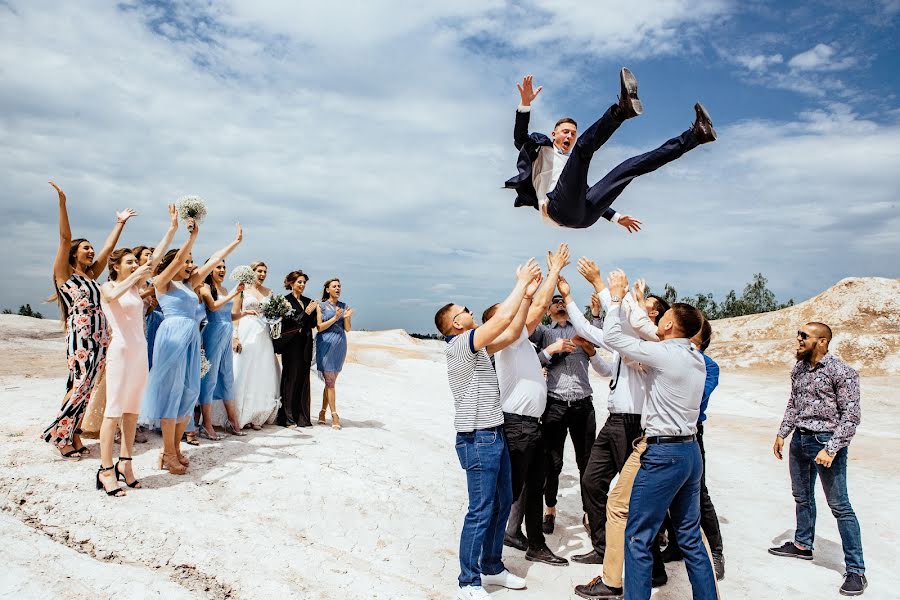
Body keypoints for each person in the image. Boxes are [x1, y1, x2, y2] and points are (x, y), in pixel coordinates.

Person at [434, 257, 540, 600]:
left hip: (493, 434)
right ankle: (468, 580)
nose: (470, 311)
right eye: (464, 309)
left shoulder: (477, 348)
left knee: (502, 501)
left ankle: (492, 567)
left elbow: (510, 331)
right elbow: (502, 319)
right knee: (480, 509)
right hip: (476, 439)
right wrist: (521, 283)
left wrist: (526, 297)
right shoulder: (459, 346)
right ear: (455, 322)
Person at [504, 69, 716, 230]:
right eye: (565, 132)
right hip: (557, 209)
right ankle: (621, 111)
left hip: (586, 216)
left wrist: (615, 217)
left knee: (630, 167)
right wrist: (525, 105)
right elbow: (519, 138)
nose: (569, 136)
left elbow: (586, 194)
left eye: (573, 133)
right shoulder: (540, 150)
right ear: (554, 134)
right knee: (583, 151)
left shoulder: (572, 168)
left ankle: (696, 135)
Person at [569, 259, 669, 569]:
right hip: (615, 421)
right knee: (591, 481)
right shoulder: (626, 338)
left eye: (647, 305)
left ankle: (650, 563)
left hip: (635, 424)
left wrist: (605, 286)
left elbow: (619, 327)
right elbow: (591, 330)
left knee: (636, 496)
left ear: (655, 316)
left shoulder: (652, 343)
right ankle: (603, 547)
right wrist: (570, 297)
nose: (640, 307)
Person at [487, 244, 571, 566]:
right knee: (507, 493)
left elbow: (534, 308)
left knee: (535, 489)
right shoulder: (507, 340)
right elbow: (536, 311)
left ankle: (535, 543)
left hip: (531, 427)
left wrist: (537, 287)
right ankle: (490, 554)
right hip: (517, 426)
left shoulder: (520, 341)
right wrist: (552, 274)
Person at [769, 323, 866, 597]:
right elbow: (793, 403)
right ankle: (802, 545)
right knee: (801, 496)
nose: (798, 339)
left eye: (804, 336)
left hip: (825, 442)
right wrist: (782, 433)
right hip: (799, 440)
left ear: (822, 341)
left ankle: (856, 570)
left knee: (840, 505)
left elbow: (851, 417)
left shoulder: (842, 372)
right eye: (798, 335)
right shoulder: (798, 369)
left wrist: (832, 448)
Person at [43, 180, 136, 460]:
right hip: (81, 338)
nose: (92, 251)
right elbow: (63, 237)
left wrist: (120, 223)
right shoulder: (64, 274)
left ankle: (73, 434)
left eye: (91, 248)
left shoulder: (91, 276)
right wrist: (62, 203)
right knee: (79, 384)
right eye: (85, 248)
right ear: (73, 254)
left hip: (100, 338)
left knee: (85, 387)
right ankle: (59, 435)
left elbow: (108, 248)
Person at [141, 221, 242, 474]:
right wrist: (191, 236)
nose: (190, 265)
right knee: (172, 392)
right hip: (172, 337)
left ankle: (173, 450)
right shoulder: (163, 283)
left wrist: (235, 242)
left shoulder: (191, 284)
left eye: (191, 261)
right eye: (186, 261)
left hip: (191, 339)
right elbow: (174, 264)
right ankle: (168, 452)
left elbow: (215, 258)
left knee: (189, 391)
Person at [95, 206, 178, 495]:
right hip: (119, 352)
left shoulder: (135, 287)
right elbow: (115, 294)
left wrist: (172, 229)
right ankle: (106, 469)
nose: (135, 265)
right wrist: (136, 275)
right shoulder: (108, 287)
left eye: (136, 262)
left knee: (131, 412)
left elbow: (155, 260)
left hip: (140, 352)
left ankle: (126, 463)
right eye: (129, 262)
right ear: (116, 266)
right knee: (114, 411)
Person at [661, 318, 726, 580]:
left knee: (699, 493)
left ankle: (716, 552)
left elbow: (697, 397)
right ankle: (676, 546)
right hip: (665, 432)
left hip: (691, 433)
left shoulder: (708, 366)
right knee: (668, 492)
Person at [196, 260, 248, 439]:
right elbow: (213, 307)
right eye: (218, 267)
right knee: (209, 378)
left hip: (226, 333)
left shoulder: (226, 290)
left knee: (227, 376)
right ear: (210, 270)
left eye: (224, 267)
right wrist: (235, 292)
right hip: (213, 332)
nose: (222, 270)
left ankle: (233, 422)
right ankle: (206, 424)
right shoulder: (204, 287)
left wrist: (243, 314)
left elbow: (228, 315)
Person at [230, 260, 281, 430]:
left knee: (262, 371)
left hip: (263, 334)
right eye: (259, 271)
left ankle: (257, 414)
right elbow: (234, 313)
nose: (262, 274)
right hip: (246, 331)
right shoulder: (242, 289)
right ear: (252, 272)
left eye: (265, 271)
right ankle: (240, 414)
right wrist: (235, 337)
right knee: (244, 370)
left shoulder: (269, 292)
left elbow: (273, 315)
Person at [276, 270, 318, 427]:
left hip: (306, 344)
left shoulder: (309, 301)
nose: (302, 285)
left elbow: (312, 323)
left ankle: (302, 417)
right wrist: (307, 313)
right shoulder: (285, 301)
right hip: (291, 346)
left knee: (303, 380)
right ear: (291, 283)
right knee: (290, 380)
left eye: (304, 282)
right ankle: (286, 418)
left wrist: (315, 312)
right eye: (299, 282)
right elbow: (292, 323)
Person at [315, 278, 353, 430]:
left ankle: (322, 412)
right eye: (334, 286)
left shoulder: (344, 306)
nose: (338, 288)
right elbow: (319, 327)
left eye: (339, 286)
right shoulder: (321, 306)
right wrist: (336, 317)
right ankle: (334, 415)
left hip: (340, 345)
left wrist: (347, 317)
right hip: (325, 344)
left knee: (330, 382)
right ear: (327, 289)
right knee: (330, 381)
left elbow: (348, 329)